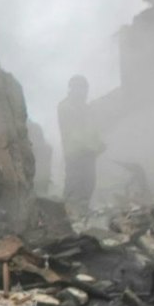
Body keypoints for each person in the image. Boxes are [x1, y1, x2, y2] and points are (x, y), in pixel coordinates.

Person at [58, 75, 105, 213]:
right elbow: (73, 133)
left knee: (89, 183)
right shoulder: (65, 107)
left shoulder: (86, 108)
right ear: (72, 88)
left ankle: (82, 213)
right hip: (75, 153)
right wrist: (93, 146)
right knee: (74, 184)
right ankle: (67, 214)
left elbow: (92, 129)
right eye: (79, 88)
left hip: (89, 153)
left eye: (84, 88)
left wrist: (99, 144)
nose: (83, 92)